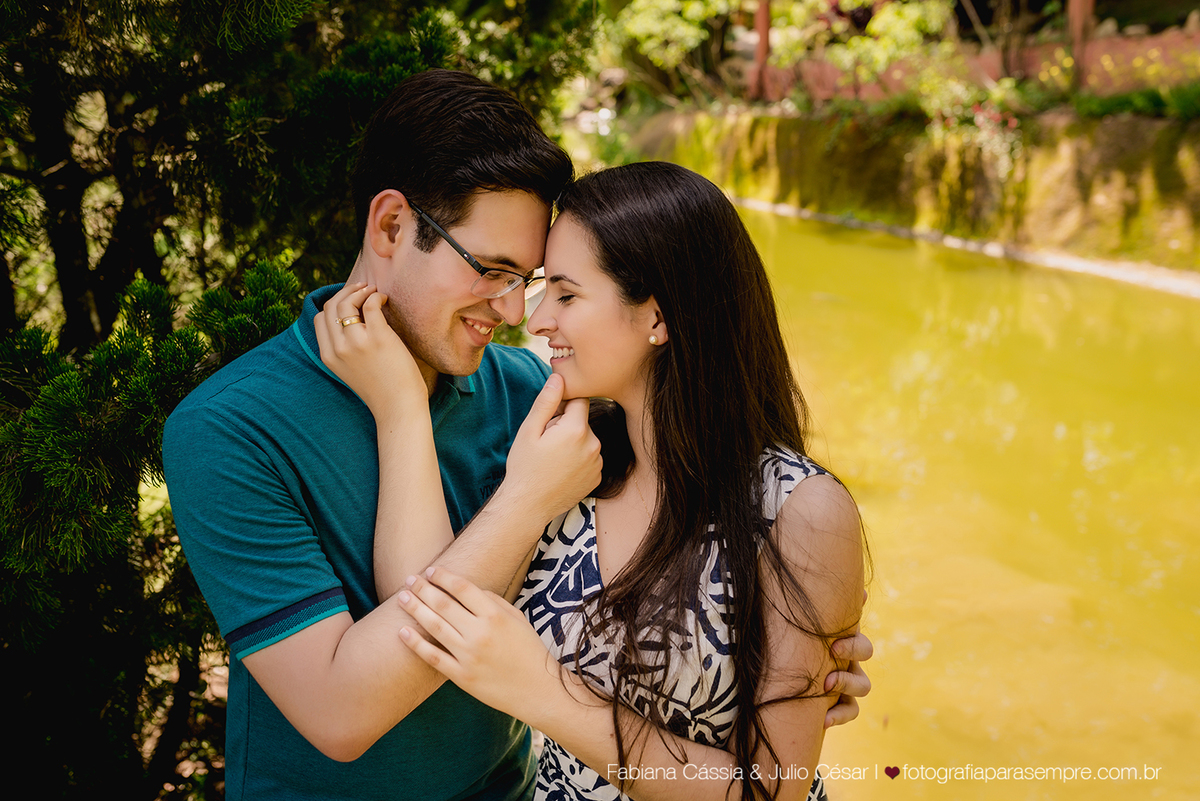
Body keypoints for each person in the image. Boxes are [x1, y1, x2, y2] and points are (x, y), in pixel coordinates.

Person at [164, 69, 870, 801]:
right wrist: (493, 476)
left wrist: (782, 660)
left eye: (532, 281)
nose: (512, 313)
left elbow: (694, 539)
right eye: (493, 270)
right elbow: (343, 713)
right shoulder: (228, 429)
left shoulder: (539, 398)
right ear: (391, 226)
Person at [318, 161, 868, 801]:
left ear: (656, 316)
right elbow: (422, 609)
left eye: (566, 295)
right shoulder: (568, 460)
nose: (535, 319)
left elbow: (769, 790)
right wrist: (402, 410)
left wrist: (541, 688)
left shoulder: (796, 510)